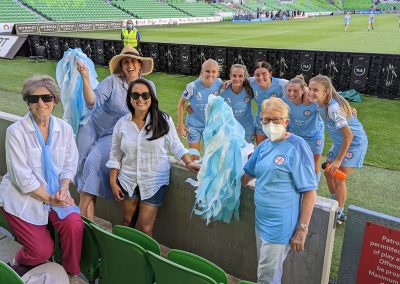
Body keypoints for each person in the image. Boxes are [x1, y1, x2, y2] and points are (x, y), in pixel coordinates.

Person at [0, 75, 83, 284]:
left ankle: (71, 273)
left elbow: (69, 163)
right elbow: (21, 177)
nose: (40, 103)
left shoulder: (64, 128)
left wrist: (64, 187)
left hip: (55, 191)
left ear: (55, 100)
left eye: (46, 98)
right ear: (27, 102)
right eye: (33, 98)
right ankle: (17, 261)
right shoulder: (16, 132)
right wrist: (49, 199)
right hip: (24, 197)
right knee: (40, 251)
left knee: (74, 224)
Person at [107, 79, 199, 236]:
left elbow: (176, 146)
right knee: (126, 222)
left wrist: (189, 162)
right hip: (128, 180)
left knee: (145, 228)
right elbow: (115, 155)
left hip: (154, 182)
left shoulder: (163, 120)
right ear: (130, 98)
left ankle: (145, 259)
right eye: (135, 95)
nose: (140, 99)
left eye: (145, 95)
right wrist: (113, 182)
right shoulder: (121, 124)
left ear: (152, 97)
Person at [242, 97, 317, 284]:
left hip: (280, 225)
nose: (271, 124)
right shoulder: (264, 146)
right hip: (260, 220)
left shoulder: (297, 146)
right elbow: (245, 177)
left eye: (276, 120)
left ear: (286, 121)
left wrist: (302, 230)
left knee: (266, 277)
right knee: (265, 270)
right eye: (266, 120)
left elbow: (309, 192)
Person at [76, 46, 155, 220]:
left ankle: (79, 218)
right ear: (121, 66)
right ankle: (87, 221)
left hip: (114, 134)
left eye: (133, 61)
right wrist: (85, 77)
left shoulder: (148, 87)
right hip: (92, 126)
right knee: (82, 166)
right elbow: (92, 102)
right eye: (125, 61)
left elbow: (151, 115)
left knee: (92, 162)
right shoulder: (113, 81)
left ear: (140, 65)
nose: (130, 65)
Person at [309, 75, 368, 223]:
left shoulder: (333, 108)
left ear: (326, 92)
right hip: (339, 142)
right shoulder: (320, 101)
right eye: (310, 88)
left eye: (315, 90)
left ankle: (339, 213)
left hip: (354, 143)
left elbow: (349, 136)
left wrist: (338, 160)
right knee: (328, 173)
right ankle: (334, 204)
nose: (311, 92)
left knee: (337, 175)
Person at [177, 59, 222, 160]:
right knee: (195, 156)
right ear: (202, 72)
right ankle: (196, 175)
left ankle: (209, 175)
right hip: (194, 126)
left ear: (218, 73)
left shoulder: (219, 83)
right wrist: (180, 124)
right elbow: (181, 103)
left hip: (210, 126)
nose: (210, 74)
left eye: (214, 71)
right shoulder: (192, 86)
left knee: (211, 156)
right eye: (207, 71)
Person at [284, 75, 324, 181]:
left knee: (314, 163)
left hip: (314, 135)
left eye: (296, 91)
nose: (291, 94)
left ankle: (313, 190)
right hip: (295, 134)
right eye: (289, 90)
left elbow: (330, 100)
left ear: (303, 90)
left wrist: (349, 109)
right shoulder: (285, 99)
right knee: (293, 160)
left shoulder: (313, 101)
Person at [249, 61, 288, 145]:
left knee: (277, 150)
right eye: (257, 75)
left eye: (264, 74)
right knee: (262, 149)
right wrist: (228, 82)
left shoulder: (282, 84)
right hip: (262, 122)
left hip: (277, 123)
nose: (260, 77)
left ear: (270, 73)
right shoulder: (251, 82)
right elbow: (237, 81)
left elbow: (299, 85)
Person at [220, 64, 254, 143]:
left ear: (245, 77)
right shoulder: (223, 90)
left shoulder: (249, 89)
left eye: (240, 76)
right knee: (231, 153)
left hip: (247, 127)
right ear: (230, 76)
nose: (237, 78)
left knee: (248, 153)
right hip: (229, 127)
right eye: (234, 76)